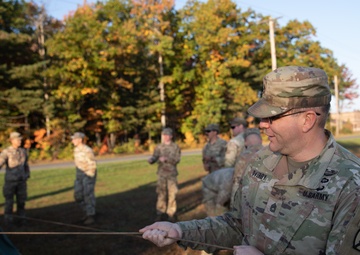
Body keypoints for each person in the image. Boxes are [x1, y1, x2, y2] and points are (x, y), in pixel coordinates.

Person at [140, 66, 360, 255]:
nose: (262, 124)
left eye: (272, 116)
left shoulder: (350, 185)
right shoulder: (261, 160)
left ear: (307, 120)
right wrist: (180, 231)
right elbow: (236, 225)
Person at [202, 128, 263, 216]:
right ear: (260, 140)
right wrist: (235, 211)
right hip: (210, 186)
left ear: (245, 142)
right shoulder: (265, 154)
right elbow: (228, 196)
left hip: (225, 181)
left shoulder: (245, 158)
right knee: (215, 217)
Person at [148, 128, 181, 222]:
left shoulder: (175, 147)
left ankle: (171, 213)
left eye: (168, 135)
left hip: (171, 174)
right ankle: (160, 212)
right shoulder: (159, 147)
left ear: (171, 136)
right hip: (161, 174)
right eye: (164, 135)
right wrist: (151, 160)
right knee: (161, 193)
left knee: (172, 193)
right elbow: (155, 156)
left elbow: (177, 159)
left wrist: (166, 159)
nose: (166, 137)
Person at [0, 132, 30, 226]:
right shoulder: (6, 151)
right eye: (17, 139)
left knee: (21, 202)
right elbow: (0, 162)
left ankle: (22, 219)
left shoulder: (23, 151)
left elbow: (26, 165)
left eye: (20, 139)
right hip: (11, 182)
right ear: (12, 140)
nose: (20, 141)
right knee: (9, 202)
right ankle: (8, 221)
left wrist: (27, 174)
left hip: (21, 182)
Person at [71, 132, 97, 225]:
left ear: (80, 140)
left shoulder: (87, 150)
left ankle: (90, 215)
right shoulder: (76, 150)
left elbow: (92, 164)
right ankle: (86, 212)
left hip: (88, 175)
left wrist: (89, 177)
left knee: (88, 194)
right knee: (78, 195)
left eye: (74, 139)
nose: (72, 141)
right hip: (79, 176)